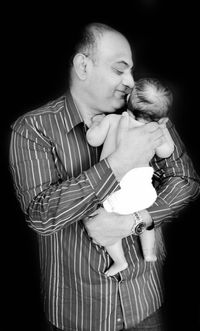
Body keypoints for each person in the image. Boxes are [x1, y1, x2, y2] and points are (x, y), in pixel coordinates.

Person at [9, 22, 200, 331]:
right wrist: (119, 163)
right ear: (83, 66)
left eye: (131, 71)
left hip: (144, 302)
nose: (130, 82)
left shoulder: (144, 113)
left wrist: (137, 220)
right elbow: (42, 215)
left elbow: (185, 181)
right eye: (119, 70)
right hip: (78, 313)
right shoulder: (34, 130)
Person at [85, 77, 174, 276]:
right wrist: (162, 128)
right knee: (145, 219)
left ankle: (120, 261)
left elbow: (92, 139)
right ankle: (149, 253)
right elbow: (166, 152)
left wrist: (97, 123)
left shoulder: (113, 120)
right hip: (143, 193)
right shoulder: (154, 132)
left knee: (105, 225)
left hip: (115, 193)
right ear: (162, 119)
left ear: (127, 100)